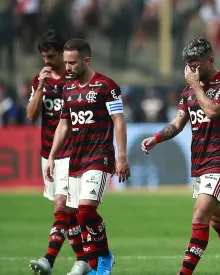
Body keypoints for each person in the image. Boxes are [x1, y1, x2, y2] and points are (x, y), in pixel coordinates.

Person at [140, 37, 220, 275]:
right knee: (219, 221)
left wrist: (195, 86)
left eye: (196, 64)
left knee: (200, 215)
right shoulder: (188, 91)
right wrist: (157, 138)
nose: (192, 70)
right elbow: (178, 122)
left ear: (210, 60)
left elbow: (213, 111)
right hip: (199, 161)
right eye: (188, 65)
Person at [45, 38, 131, 275]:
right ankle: (93, 265)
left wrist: (121, 156)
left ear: (86, 60)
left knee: (85, 211)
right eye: (65, 63)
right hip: (76, 159)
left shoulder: (106, 86)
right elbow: (63, 125)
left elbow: (119, 121)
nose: (68, 67)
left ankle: (104, 258)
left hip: (99, 158)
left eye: (72, 63)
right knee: (75, 215)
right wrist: (52, 156)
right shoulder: (68, 88)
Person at [27, 30, 91, 275]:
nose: (47, 61)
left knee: (61, 205)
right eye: (44, 56)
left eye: (51, 56)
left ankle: (48, 260)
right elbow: (31, 115)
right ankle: (84, 259)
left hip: (73, 151)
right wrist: (41, 86)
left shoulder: (74, 79)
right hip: (49, 152)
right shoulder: (38, 80)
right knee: (70, 211)